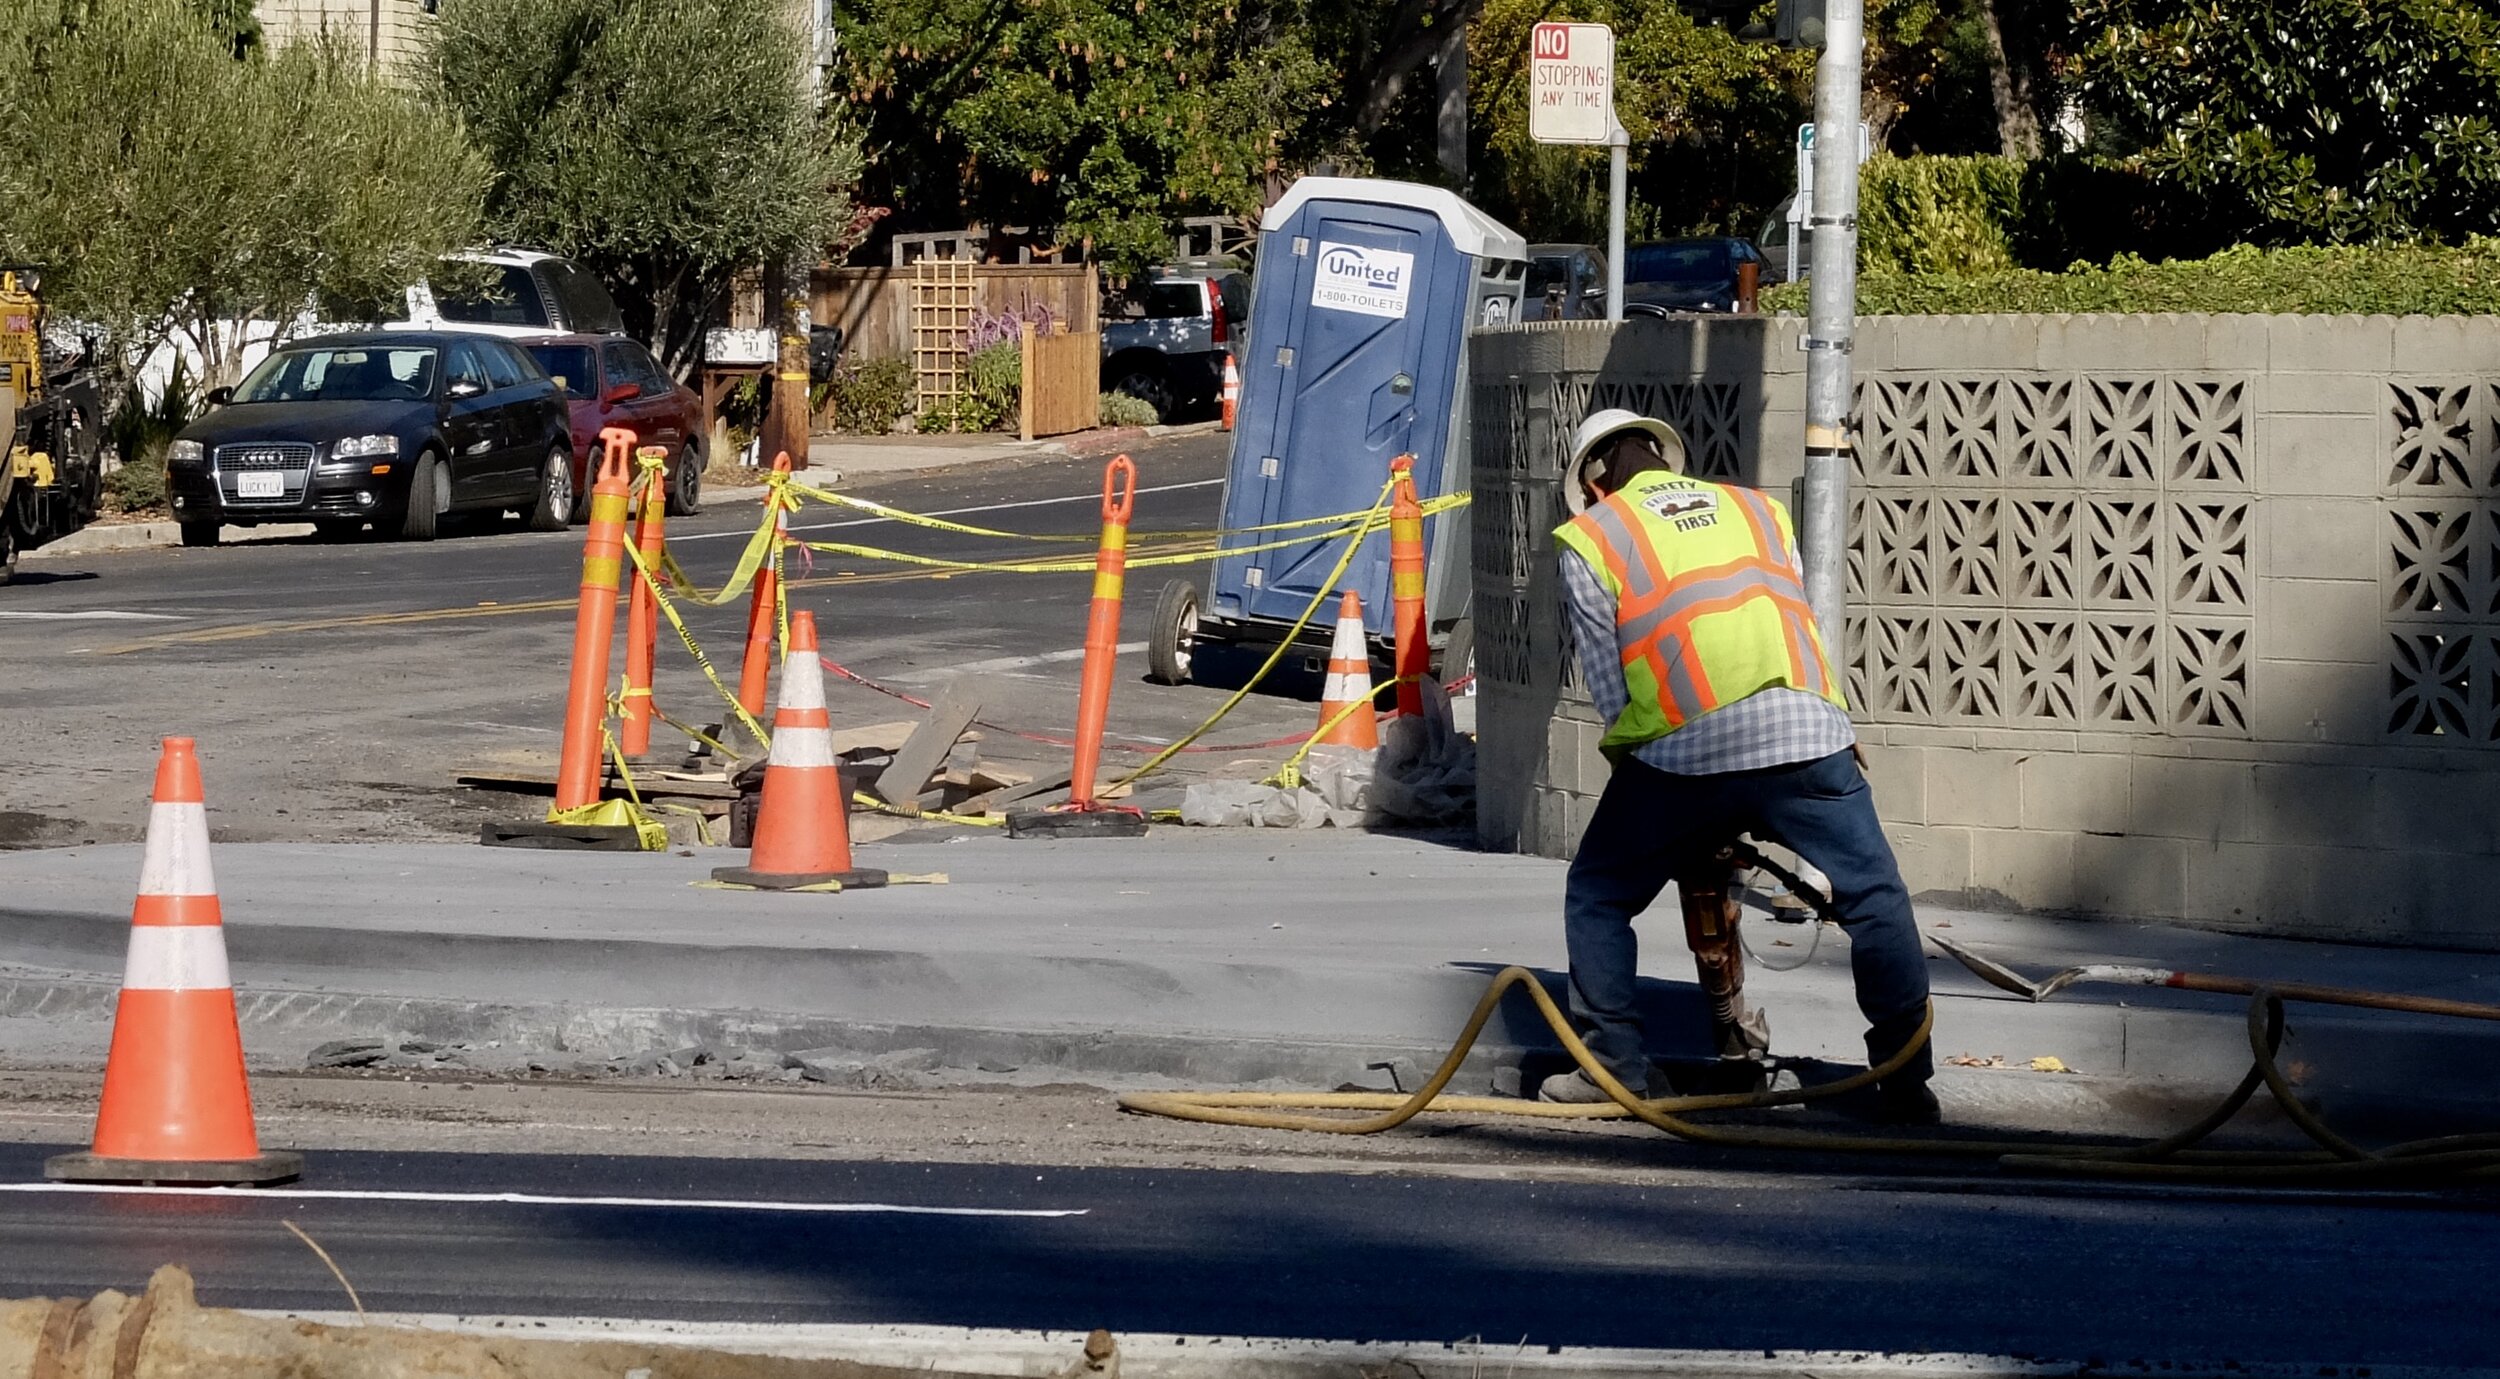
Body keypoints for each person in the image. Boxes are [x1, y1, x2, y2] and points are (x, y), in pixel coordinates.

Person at [1540, 408, 1937, 1124]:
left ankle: (1615, 1069)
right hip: (1807, 730)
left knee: (1598, 895)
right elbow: (1794, 618)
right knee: (1875, 898)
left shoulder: (1594, 536)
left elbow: (1612, 690)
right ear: (1665, 461)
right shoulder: (1757, 510)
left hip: (1684, 748)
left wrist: (1665, 799)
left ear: (1595, 485)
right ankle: (1907, 1081)